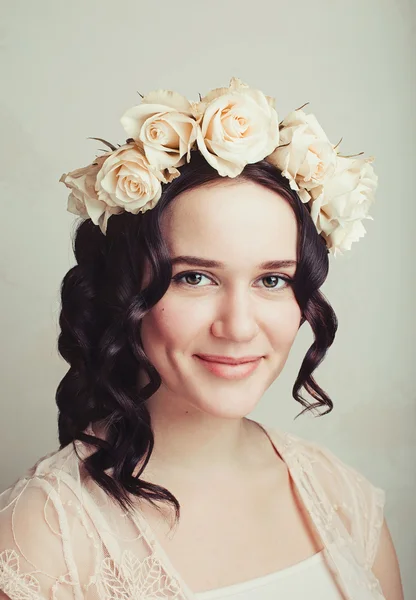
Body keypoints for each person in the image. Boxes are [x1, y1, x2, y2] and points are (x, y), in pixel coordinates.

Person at [0, 77, 404, 600]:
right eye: (194, 277)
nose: (237, 326)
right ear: (127, 292)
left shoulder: (341, 495)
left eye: (272, 280)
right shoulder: (42, 536)